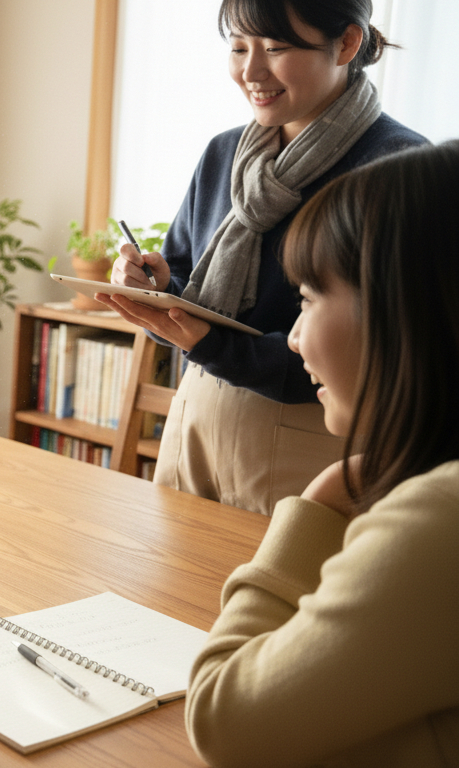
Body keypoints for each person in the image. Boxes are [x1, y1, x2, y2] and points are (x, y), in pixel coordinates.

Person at [185, 141, 459, 766]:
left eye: (308, 298)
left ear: (403, 309)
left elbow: (223, 719)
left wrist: (315, 508)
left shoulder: (442, 518)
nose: (297, 337)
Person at [100, 0, 426, 516]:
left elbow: (382, 356)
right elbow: (187, 278)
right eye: (237, 47)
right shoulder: (224, 154)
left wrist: (209, 343)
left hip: (311, 439)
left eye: (274, 48)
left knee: (282, 593)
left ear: (346, 43)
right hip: (197, 415)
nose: (250, 71)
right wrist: (157, 288)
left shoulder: (397, 173)